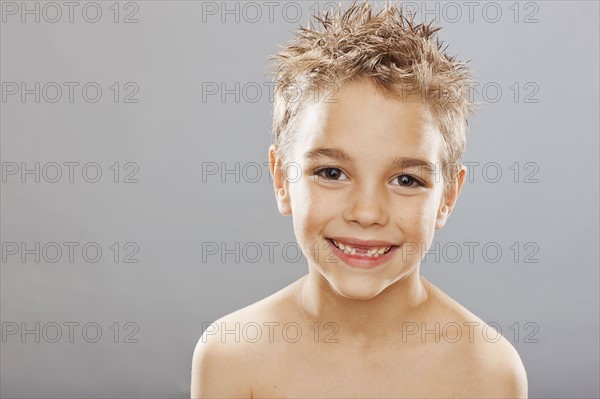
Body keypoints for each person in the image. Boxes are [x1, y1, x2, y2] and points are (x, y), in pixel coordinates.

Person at [191, 1, 528, 397]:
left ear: (447, 197)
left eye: (406, 179)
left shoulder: (487, 371)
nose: (367, 213)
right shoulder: (231, 355)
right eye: (332, 173)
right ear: (282, 178)